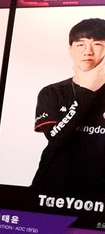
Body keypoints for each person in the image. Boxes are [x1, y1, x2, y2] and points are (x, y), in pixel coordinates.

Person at [30, 18, 105, 196]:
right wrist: (87, 89)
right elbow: (57, 138)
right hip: (52, 190)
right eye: (80, 45)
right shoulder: (52, 92)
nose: (88, 51)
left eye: (98, 44)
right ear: (70, 50)